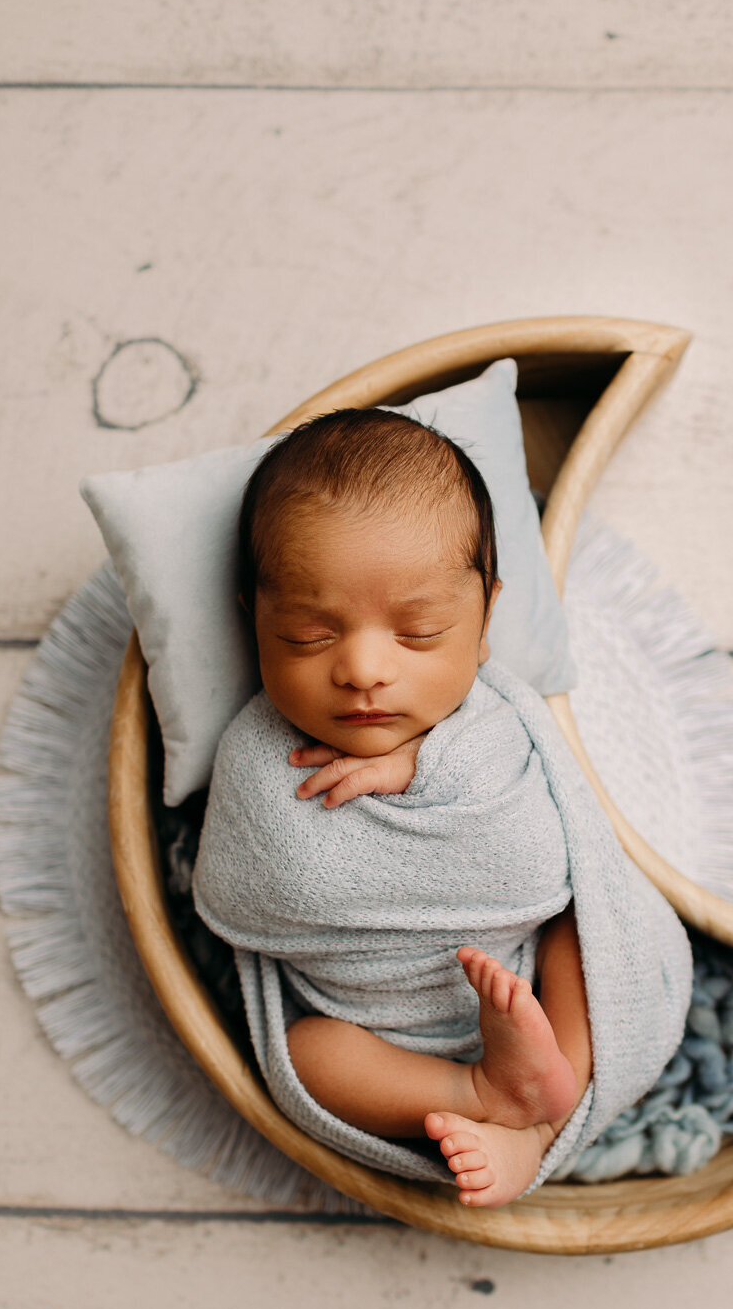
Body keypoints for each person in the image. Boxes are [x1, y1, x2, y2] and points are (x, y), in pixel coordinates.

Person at [233, 407, 593, 1207]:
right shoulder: (258, 750)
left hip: (520, 973)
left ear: (485, 619)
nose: (363, 668)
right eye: (306, 635)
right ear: (252, 618)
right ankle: (482, 1098)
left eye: (420, 631)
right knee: (308, 1056)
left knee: (590, 935)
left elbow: (548, 845)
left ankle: (540, 1106)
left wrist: (427, 768)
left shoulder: (494, 720)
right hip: (371, 1025)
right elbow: (252, 881)